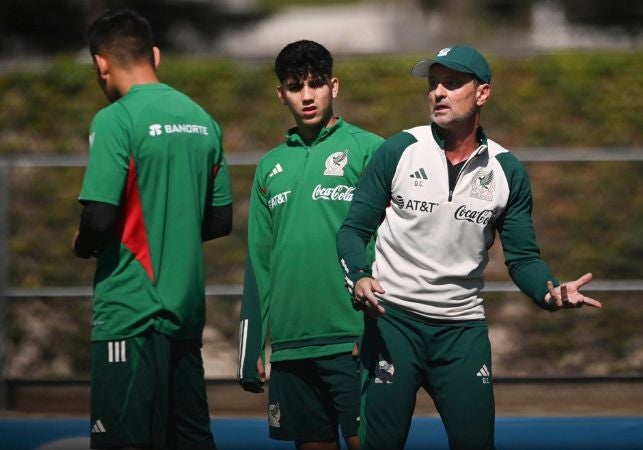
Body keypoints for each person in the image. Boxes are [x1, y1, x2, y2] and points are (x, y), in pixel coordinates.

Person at [336, 45, 603, 450]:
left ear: (483, 94)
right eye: (433, 84)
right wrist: (359, 276)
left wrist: (549, 292)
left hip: (461, 332)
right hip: (394, 323)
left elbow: (523, 258)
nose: (438, 92)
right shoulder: (399, 150)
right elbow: (352, 231)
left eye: (453, 83)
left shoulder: (506, 170)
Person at [71, 9, 233, 450]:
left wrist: (82, 245)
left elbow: (100, 217)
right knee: (188, 439)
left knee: (122, 439)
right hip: (184, 313)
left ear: (101, 64)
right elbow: (220, 219)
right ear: (156, 56)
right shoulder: (202, 119)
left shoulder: (115, 120)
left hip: (129, 312)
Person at [237, 40, 383, 450]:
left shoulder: (368, 149)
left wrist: (374, 327)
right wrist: (251, 348)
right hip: (289, 347)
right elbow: (259, 261)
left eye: (316, 84)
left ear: (333, 86)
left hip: (351, 338)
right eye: (295, 86)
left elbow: (391, 243)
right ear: (280, 93)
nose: (306, 95)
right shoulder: (269, 166)